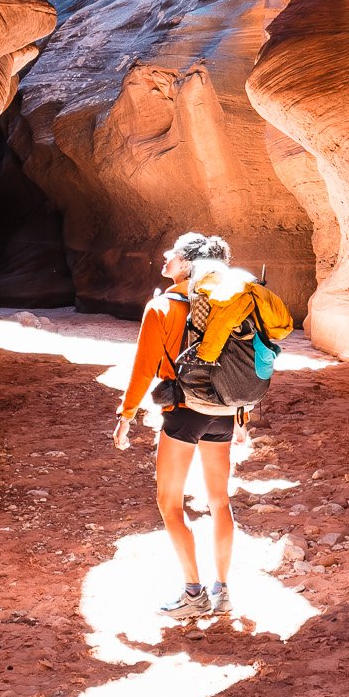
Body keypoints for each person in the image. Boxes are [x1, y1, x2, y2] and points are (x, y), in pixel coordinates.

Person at [112, 232, 247, 618]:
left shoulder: (162, 307)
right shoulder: (230, 303)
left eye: (171, 254)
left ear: (186, 263)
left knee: (169, 502)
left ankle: (193, 593)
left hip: (184, 413)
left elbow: (143, 370)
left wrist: (126, 417)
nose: (165, 257)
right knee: (220, 502)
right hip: (223, 411)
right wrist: (241, 417)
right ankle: (222, 592)